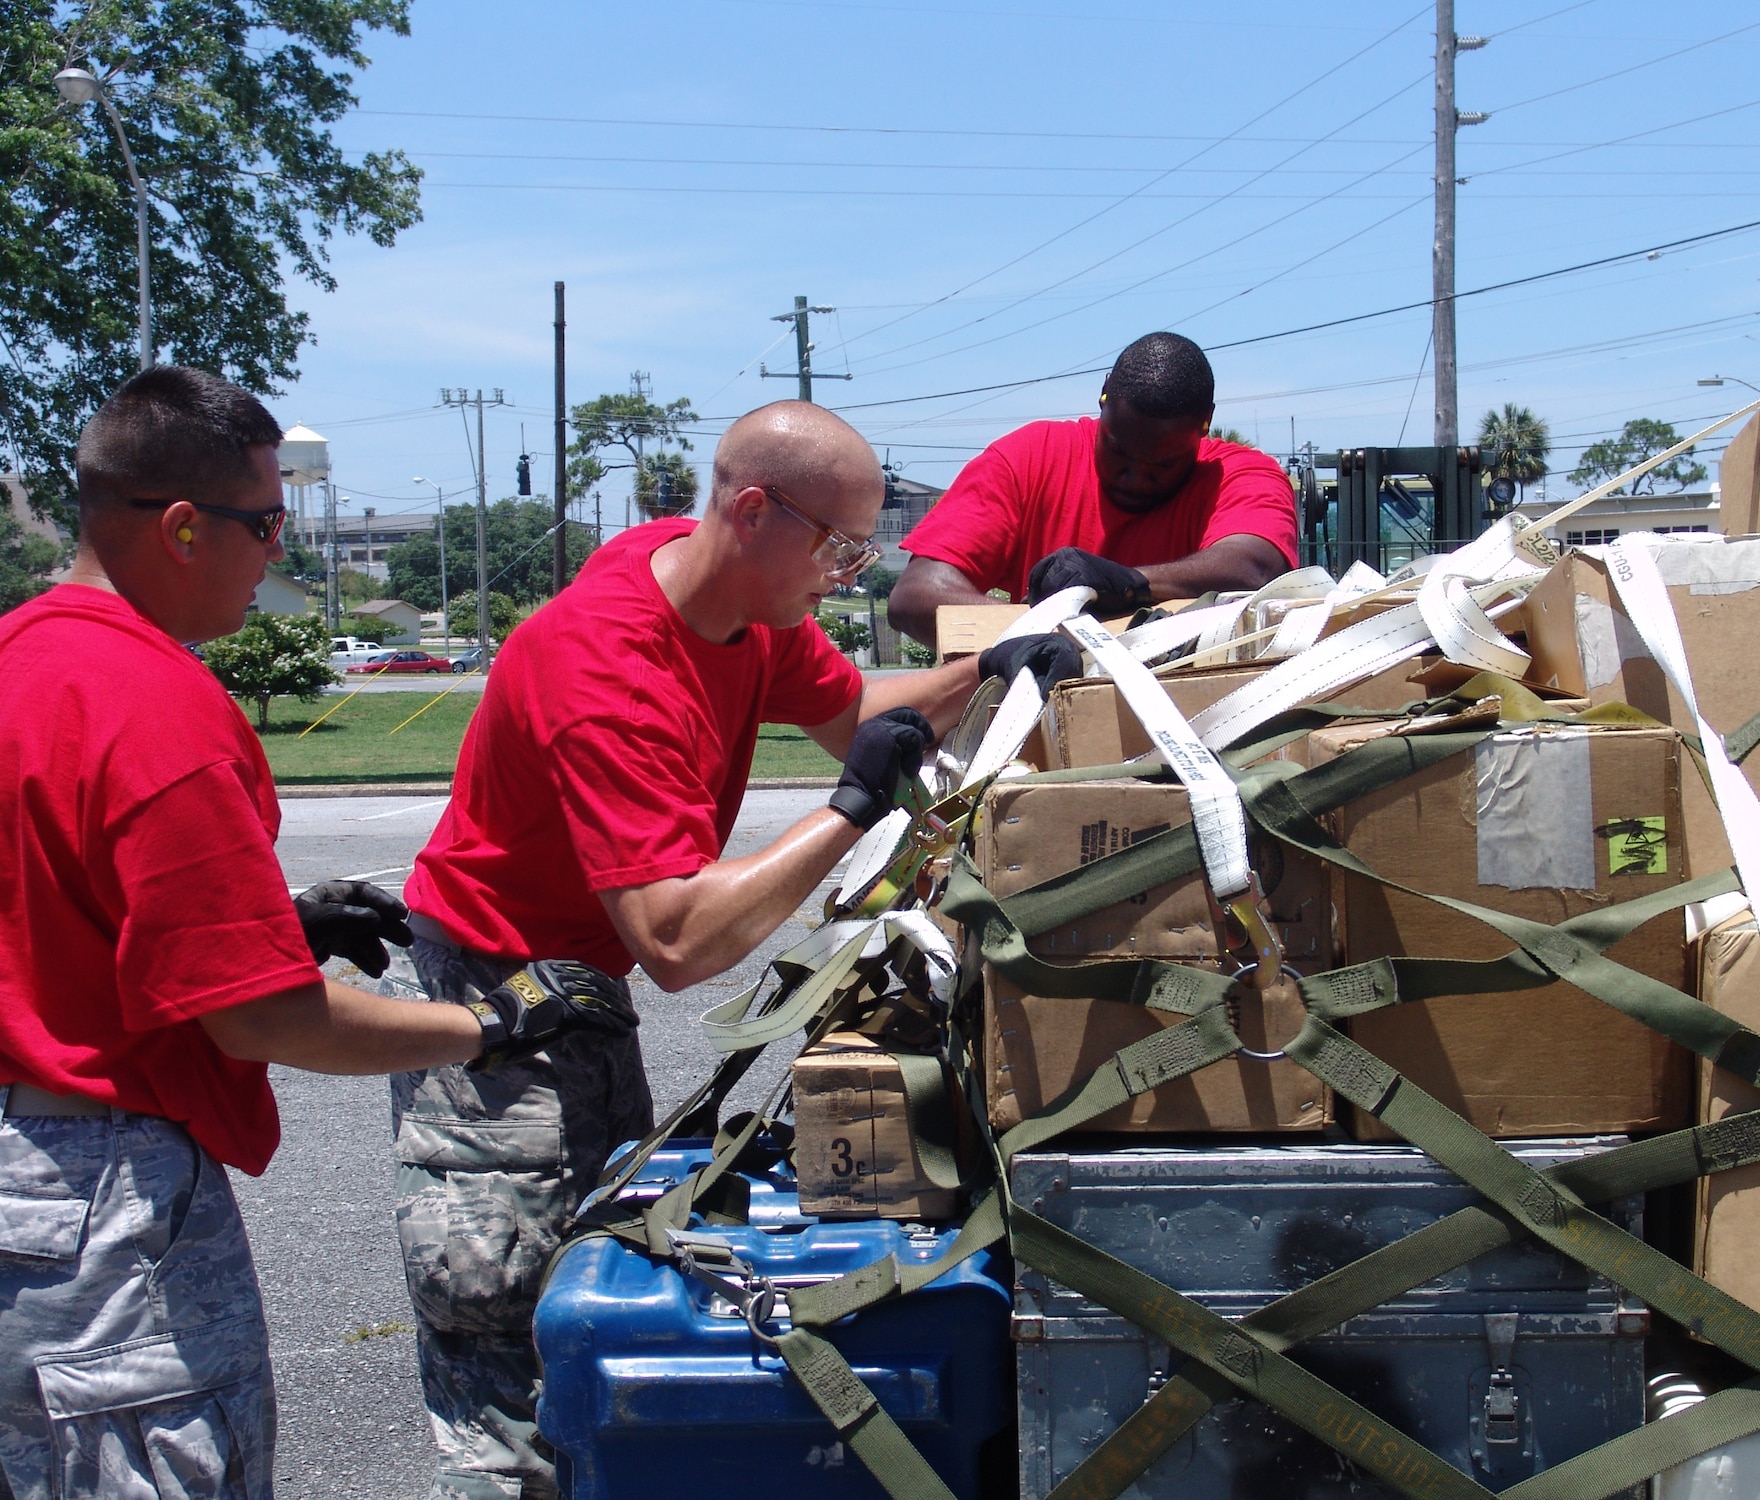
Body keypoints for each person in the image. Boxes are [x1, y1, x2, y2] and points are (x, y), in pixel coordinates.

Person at [394, 398, 1077, 1500]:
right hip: (496, 1013)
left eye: (865, 546)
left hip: (577, 992)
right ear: (753, 510)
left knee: (596, 1301)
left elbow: (855, 704)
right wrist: (855, 810)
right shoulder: (607, 665)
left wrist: (996, 666)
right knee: (513, 1357)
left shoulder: (730, 602)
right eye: (840, 545)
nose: (851, 574)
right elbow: (674, 939)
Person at [0, 367, 635, 1500]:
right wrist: (485, 1023)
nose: (277, 555)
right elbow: (262, 1021)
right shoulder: (155, 706)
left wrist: (271, 921)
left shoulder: (22, 660)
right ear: (184, 528)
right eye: (267, 523)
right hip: (99, 1198)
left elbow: (48, 906)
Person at [887, 331, 1300, 647]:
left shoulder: (1242, 473)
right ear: (1103, 397)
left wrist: (1123, 583)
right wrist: (1045, 636)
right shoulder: (1028, 458)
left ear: (1205, 422)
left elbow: (1254, 569)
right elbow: (916, 597)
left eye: (1163, 464)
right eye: (1118, 452)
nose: (1136, 477)